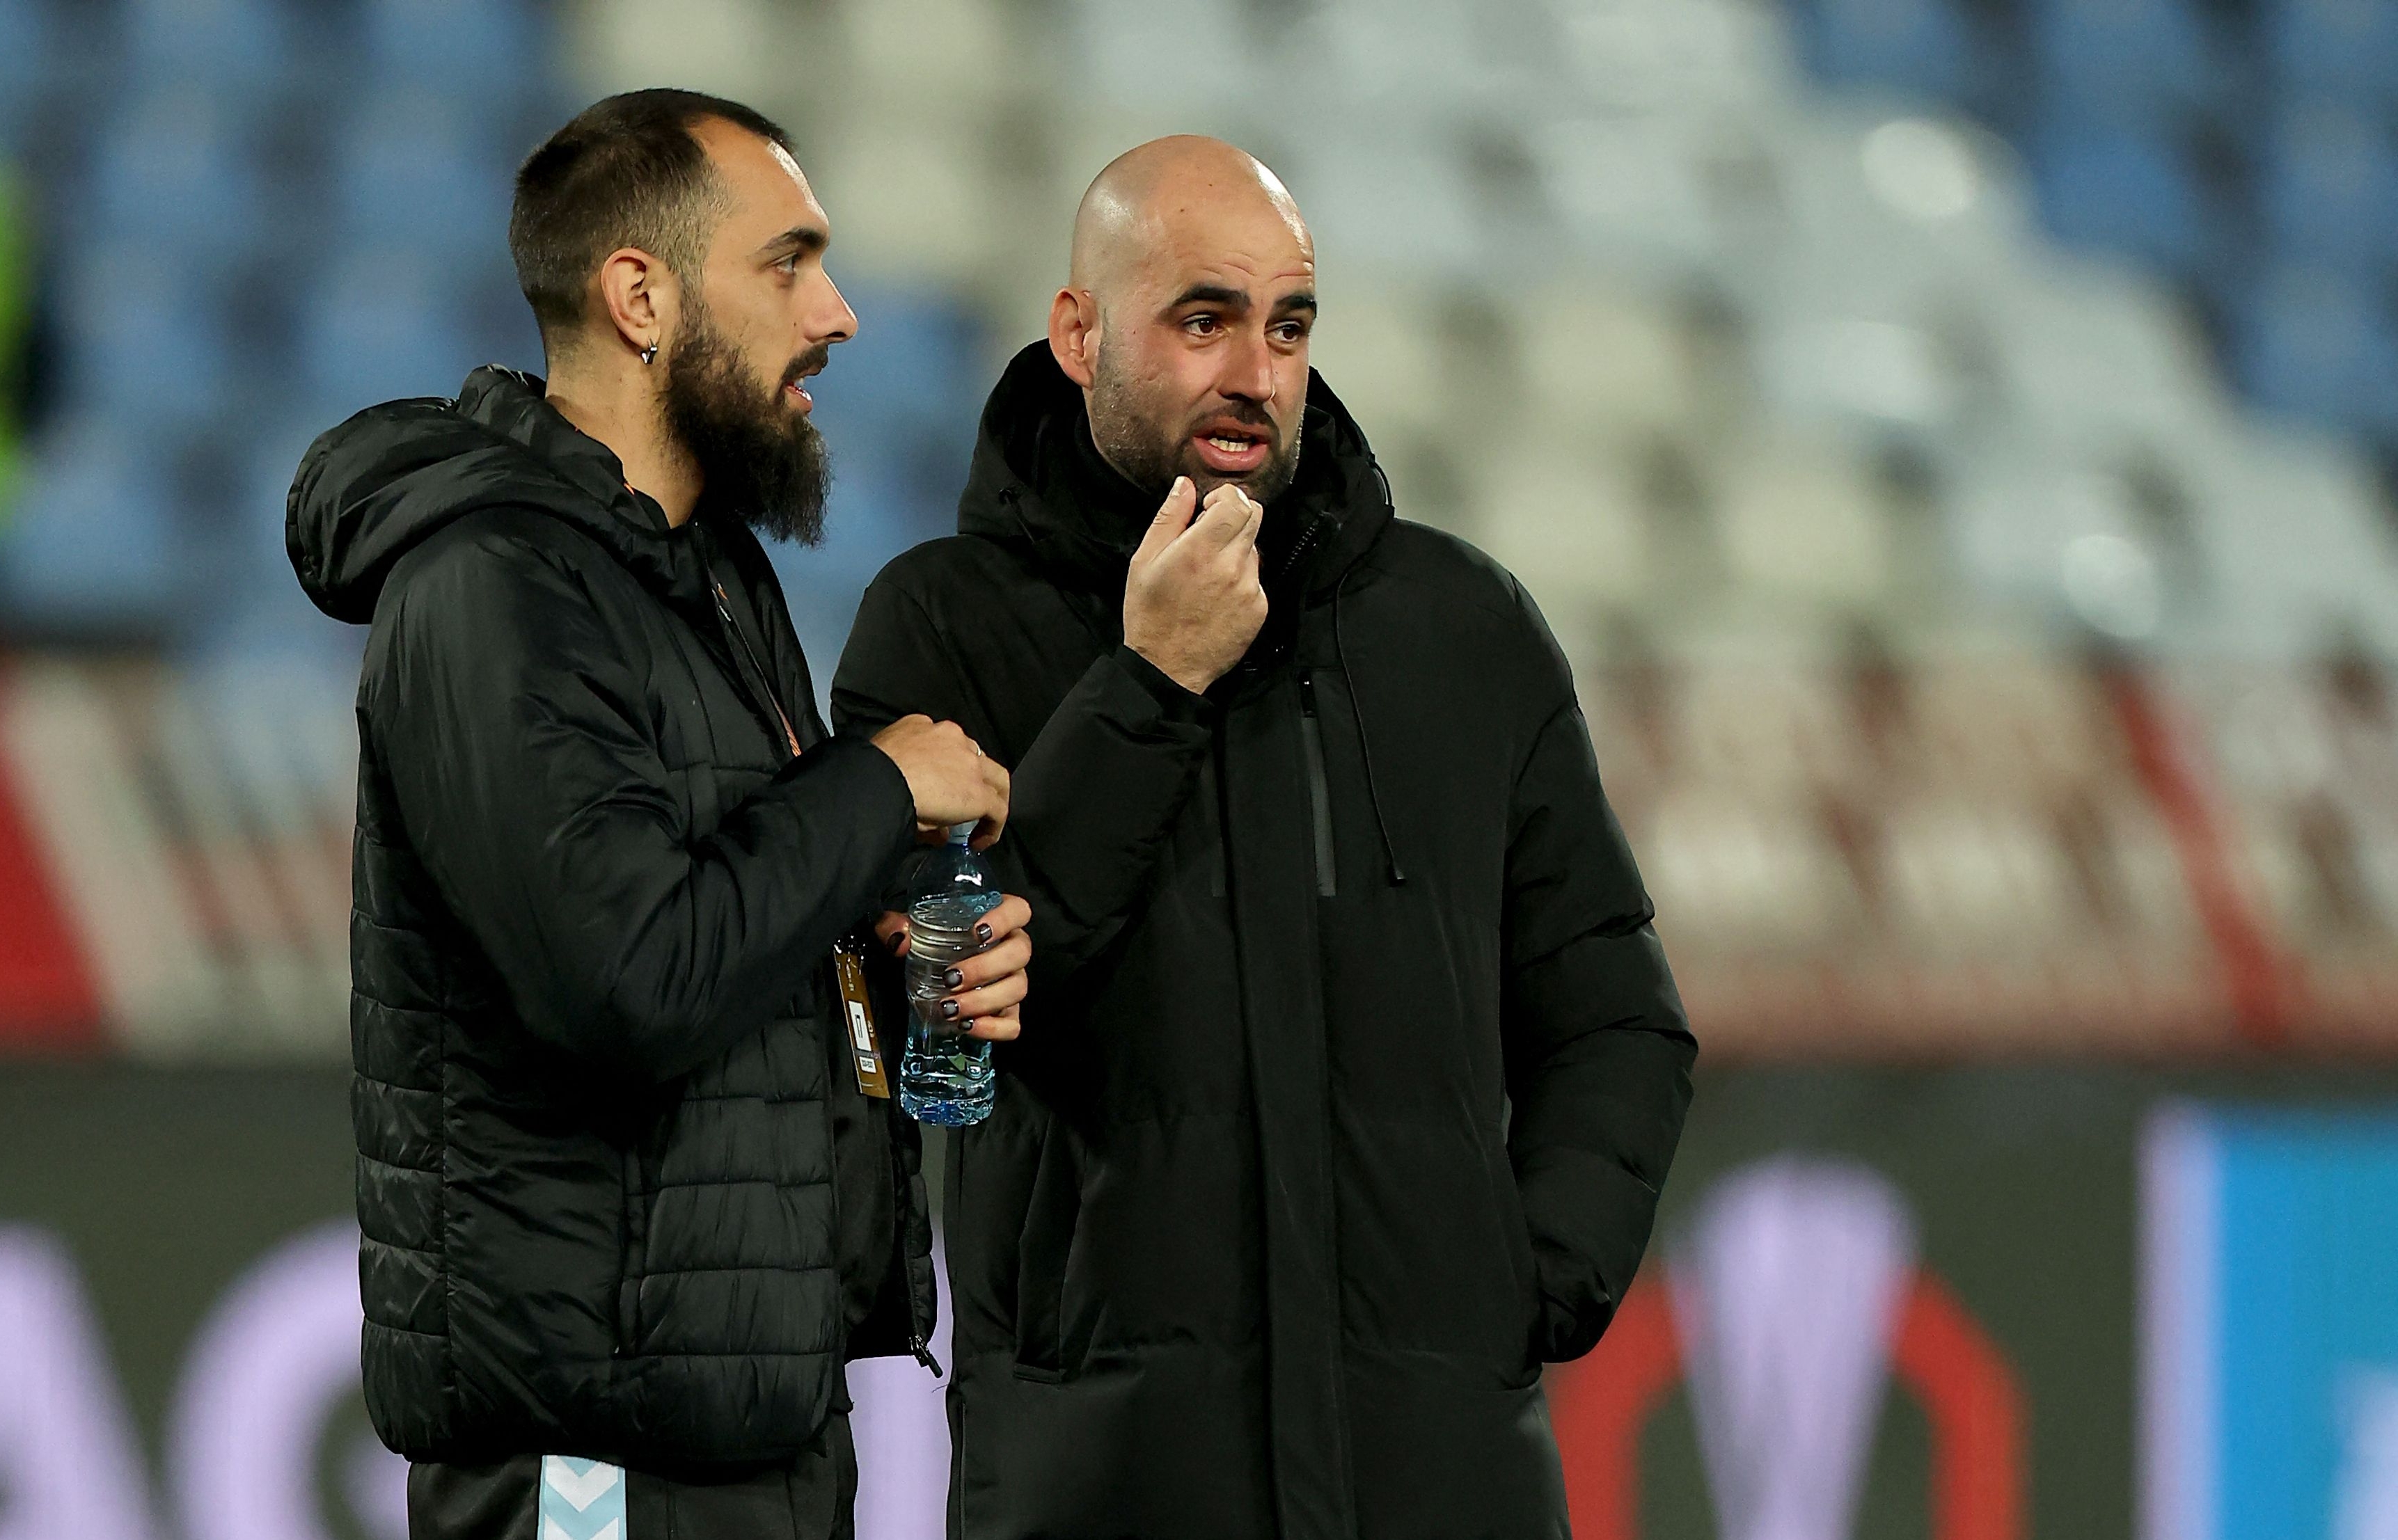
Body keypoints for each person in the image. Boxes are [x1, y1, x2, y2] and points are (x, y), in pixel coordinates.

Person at [832, 136, 1698, 1539]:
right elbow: (940, 1039)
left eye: (1287, 325)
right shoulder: (938, 631)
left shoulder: (1461, 628)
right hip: (1106, 1480)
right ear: (1078, 331)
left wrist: (1521, 1285)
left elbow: (1614, 1017)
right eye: (1202, 318)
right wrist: (1146, 688)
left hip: (1431, 1472)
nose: (1255, 373)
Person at [287, 90, 1032, 1540]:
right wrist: (878, 784)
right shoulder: (493, 588)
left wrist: (883, 959)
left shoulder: (708, 579)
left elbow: (721, 928)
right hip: (593, 1469)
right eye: (787, 262)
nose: (839, 312)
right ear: (641, 294)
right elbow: (625, 977)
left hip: (758, 1429)